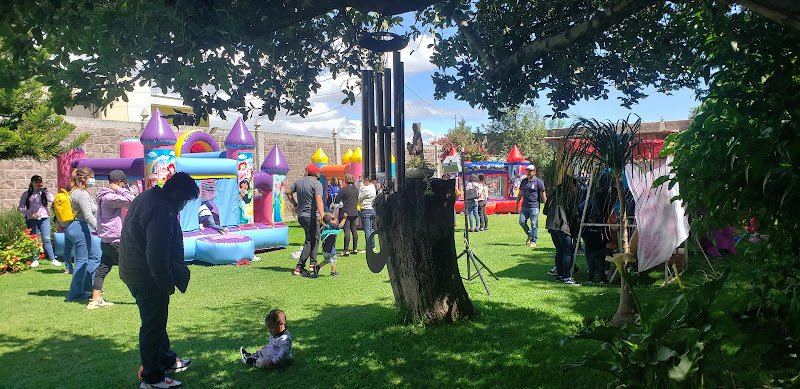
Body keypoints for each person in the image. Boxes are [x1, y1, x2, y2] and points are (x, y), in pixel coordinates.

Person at [119, 172, 198, 389]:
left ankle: (166, 359)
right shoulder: (161, 210)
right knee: (153, 325)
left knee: (157, 319)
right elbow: (156, 254)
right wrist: (165, 282)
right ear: (177, 194)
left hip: (134, 271)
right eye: (185, 200)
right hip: (146, 277)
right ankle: (152, 378)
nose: (183, 205)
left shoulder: (149, 197)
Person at [87, 169, 137, 309]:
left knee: (103, 268)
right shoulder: (109, 198)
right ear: (119, 182)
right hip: (115, 241)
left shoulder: (103, 195)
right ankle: (142, 297)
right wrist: (120, 190)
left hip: (106, 241)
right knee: (131, 269)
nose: (124, 186)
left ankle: (95, 300)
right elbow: (132, 200)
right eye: (123, 184)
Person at [66, 167, 101, 301]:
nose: (93, 179)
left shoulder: (76, 192)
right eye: (91, 176)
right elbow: (87, 215)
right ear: (84, 178)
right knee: (82, 260)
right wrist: (99, 229)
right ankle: (75, 294)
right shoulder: (81, 194)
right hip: (80, 227)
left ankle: (86, 288)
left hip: (77, 227)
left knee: (95, 256)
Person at [286, 164, 325, 278]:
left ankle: (312, 264)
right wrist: (323, 216)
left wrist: (295, 204)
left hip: (301, 216)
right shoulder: (317, 184)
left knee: (312, 239)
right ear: (316, 173)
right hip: (311, 216)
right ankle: (300, 267)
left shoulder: (299, 182)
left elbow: (288, 192)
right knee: (311, 240)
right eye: (318, 172)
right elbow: (318, 200)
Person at [17, 175, 59, 268]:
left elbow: (52, 199)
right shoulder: (26, 194)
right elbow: (20, 208)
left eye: (40, 182)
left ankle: (53, 259)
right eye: (36, 182)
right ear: (32, 183)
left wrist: (46, 191)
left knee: (46, 239)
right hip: (32, 219)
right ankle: (35, 259)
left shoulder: (43, 192)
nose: (38, 184)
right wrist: (29, 213)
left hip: (44, 218)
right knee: (34, 239)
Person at [515, 164, 547, 249]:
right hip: (524, 206)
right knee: (522, 222)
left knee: (534, 224)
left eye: (530, 171)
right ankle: (529, 234)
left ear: (534, 172)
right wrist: (517, 203)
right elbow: (520, 193)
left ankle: (533, 241)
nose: (528, 172)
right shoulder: (524, 181)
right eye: (527, 171)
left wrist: (546, 205)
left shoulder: (538, 181)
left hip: (534, 206)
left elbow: (543, 193)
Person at [334, 173, 359, 256]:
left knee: (347, 231)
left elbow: (337, 200)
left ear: (346, 180)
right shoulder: (356, 189)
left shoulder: (344, 189)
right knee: (354, 230)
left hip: (346, 213)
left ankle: (346, 250)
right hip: (355, 212)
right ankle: (355, 249)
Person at [358, 176, 377, 251]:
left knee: (367, 230)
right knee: (371, 229)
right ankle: (373, 246)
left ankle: (369, 247)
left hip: (366, 209)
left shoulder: (366, 188)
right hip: (372, 209)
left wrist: (361, 187)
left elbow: (359, 197)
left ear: (366, 180)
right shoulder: (373, 187)